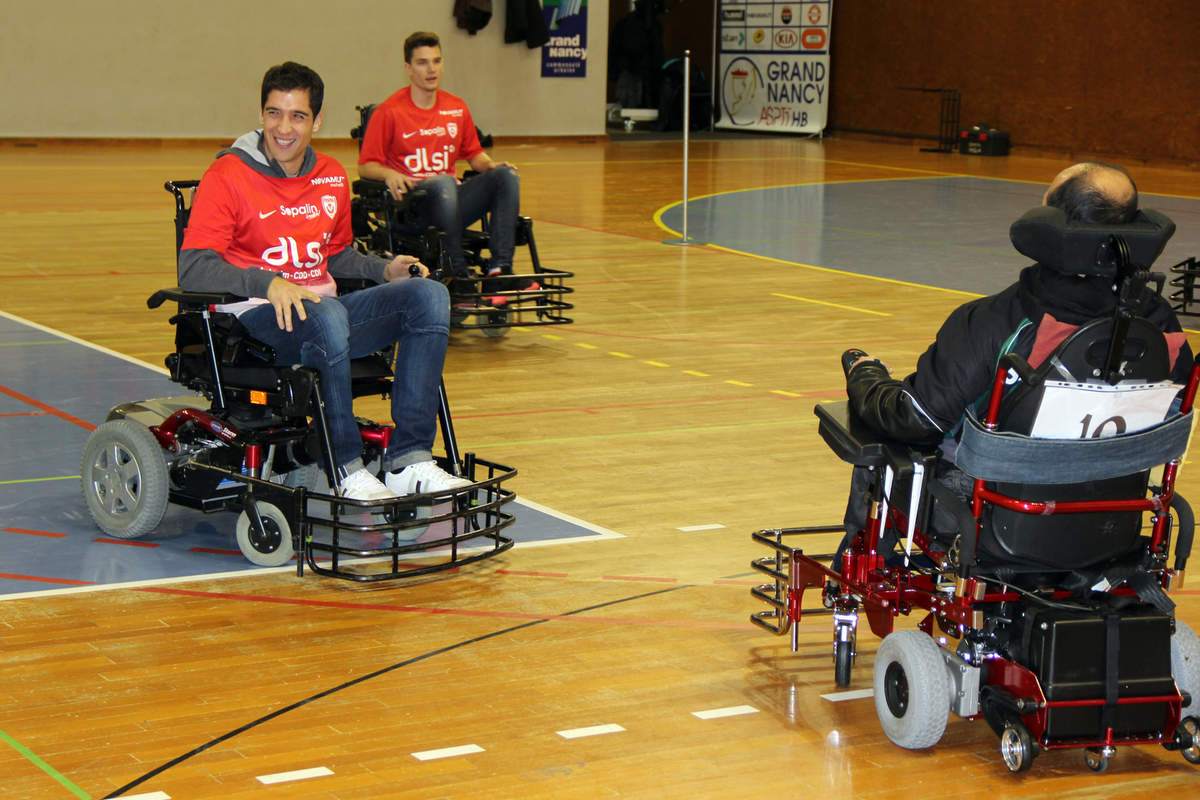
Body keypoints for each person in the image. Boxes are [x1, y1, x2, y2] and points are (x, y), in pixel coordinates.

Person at [839, 161, 1192, 541]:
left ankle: (848, 583)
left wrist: (866, 375)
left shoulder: (997, 319)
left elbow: (917, 418)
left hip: (990, 517)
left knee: (882, 440)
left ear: (1051, 220)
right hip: (1111, 519)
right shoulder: (1163, 329)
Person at [178, 61, 470, 501]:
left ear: (317, 120)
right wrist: (268, 283)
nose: (284, 128)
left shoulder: (331, 175)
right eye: (274, 113)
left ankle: (409, 462)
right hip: (258, 325)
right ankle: (344, 466)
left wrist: (383, 269)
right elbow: (194, 266)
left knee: (429, 296)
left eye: (297, 116)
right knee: (329, 313)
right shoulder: (228, 175)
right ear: (260, 115)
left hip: (326, 317)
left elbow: (335, 254)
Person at [358, 31, 530, 297]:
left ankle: (499, 271)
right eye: (422, 62)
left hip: (451, 202)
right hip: (411, 208)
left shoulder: (456, 107)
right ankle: (458, 273)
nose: (431, 69)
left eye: (437, 61)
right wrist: (388, 174)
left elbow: (475, 155)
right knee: (443, 181)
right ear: (408, 68)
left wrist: (491, 166)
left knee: (506, 176)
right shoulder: (389, 111)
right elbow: (366, 166)